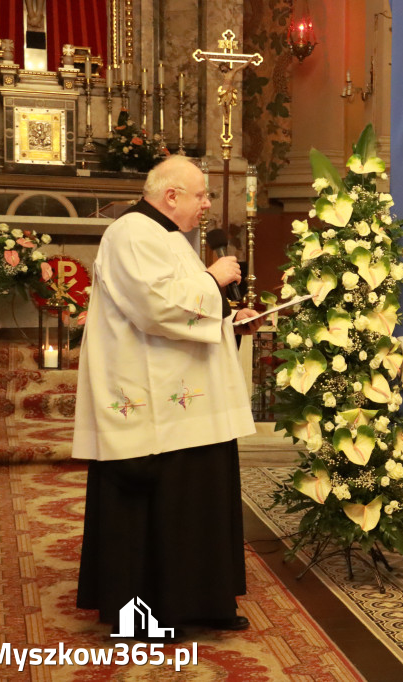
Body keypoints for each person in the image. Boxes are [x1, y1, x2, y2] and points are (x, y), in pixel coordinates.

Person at [73, 155, 264, 637]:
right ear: (170, 195)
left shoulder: (165, 236)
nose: (207, 204)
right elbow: (156, 306)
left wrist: (229, 321)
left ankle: (201, 602)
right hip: (152, 402)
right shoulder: (133, 232)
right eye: (201, 194)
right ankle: (155, 613)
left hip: (185, 399)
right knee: (165, 505)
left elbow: (181, 306)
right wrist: (215, 278)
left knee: (197, 501)